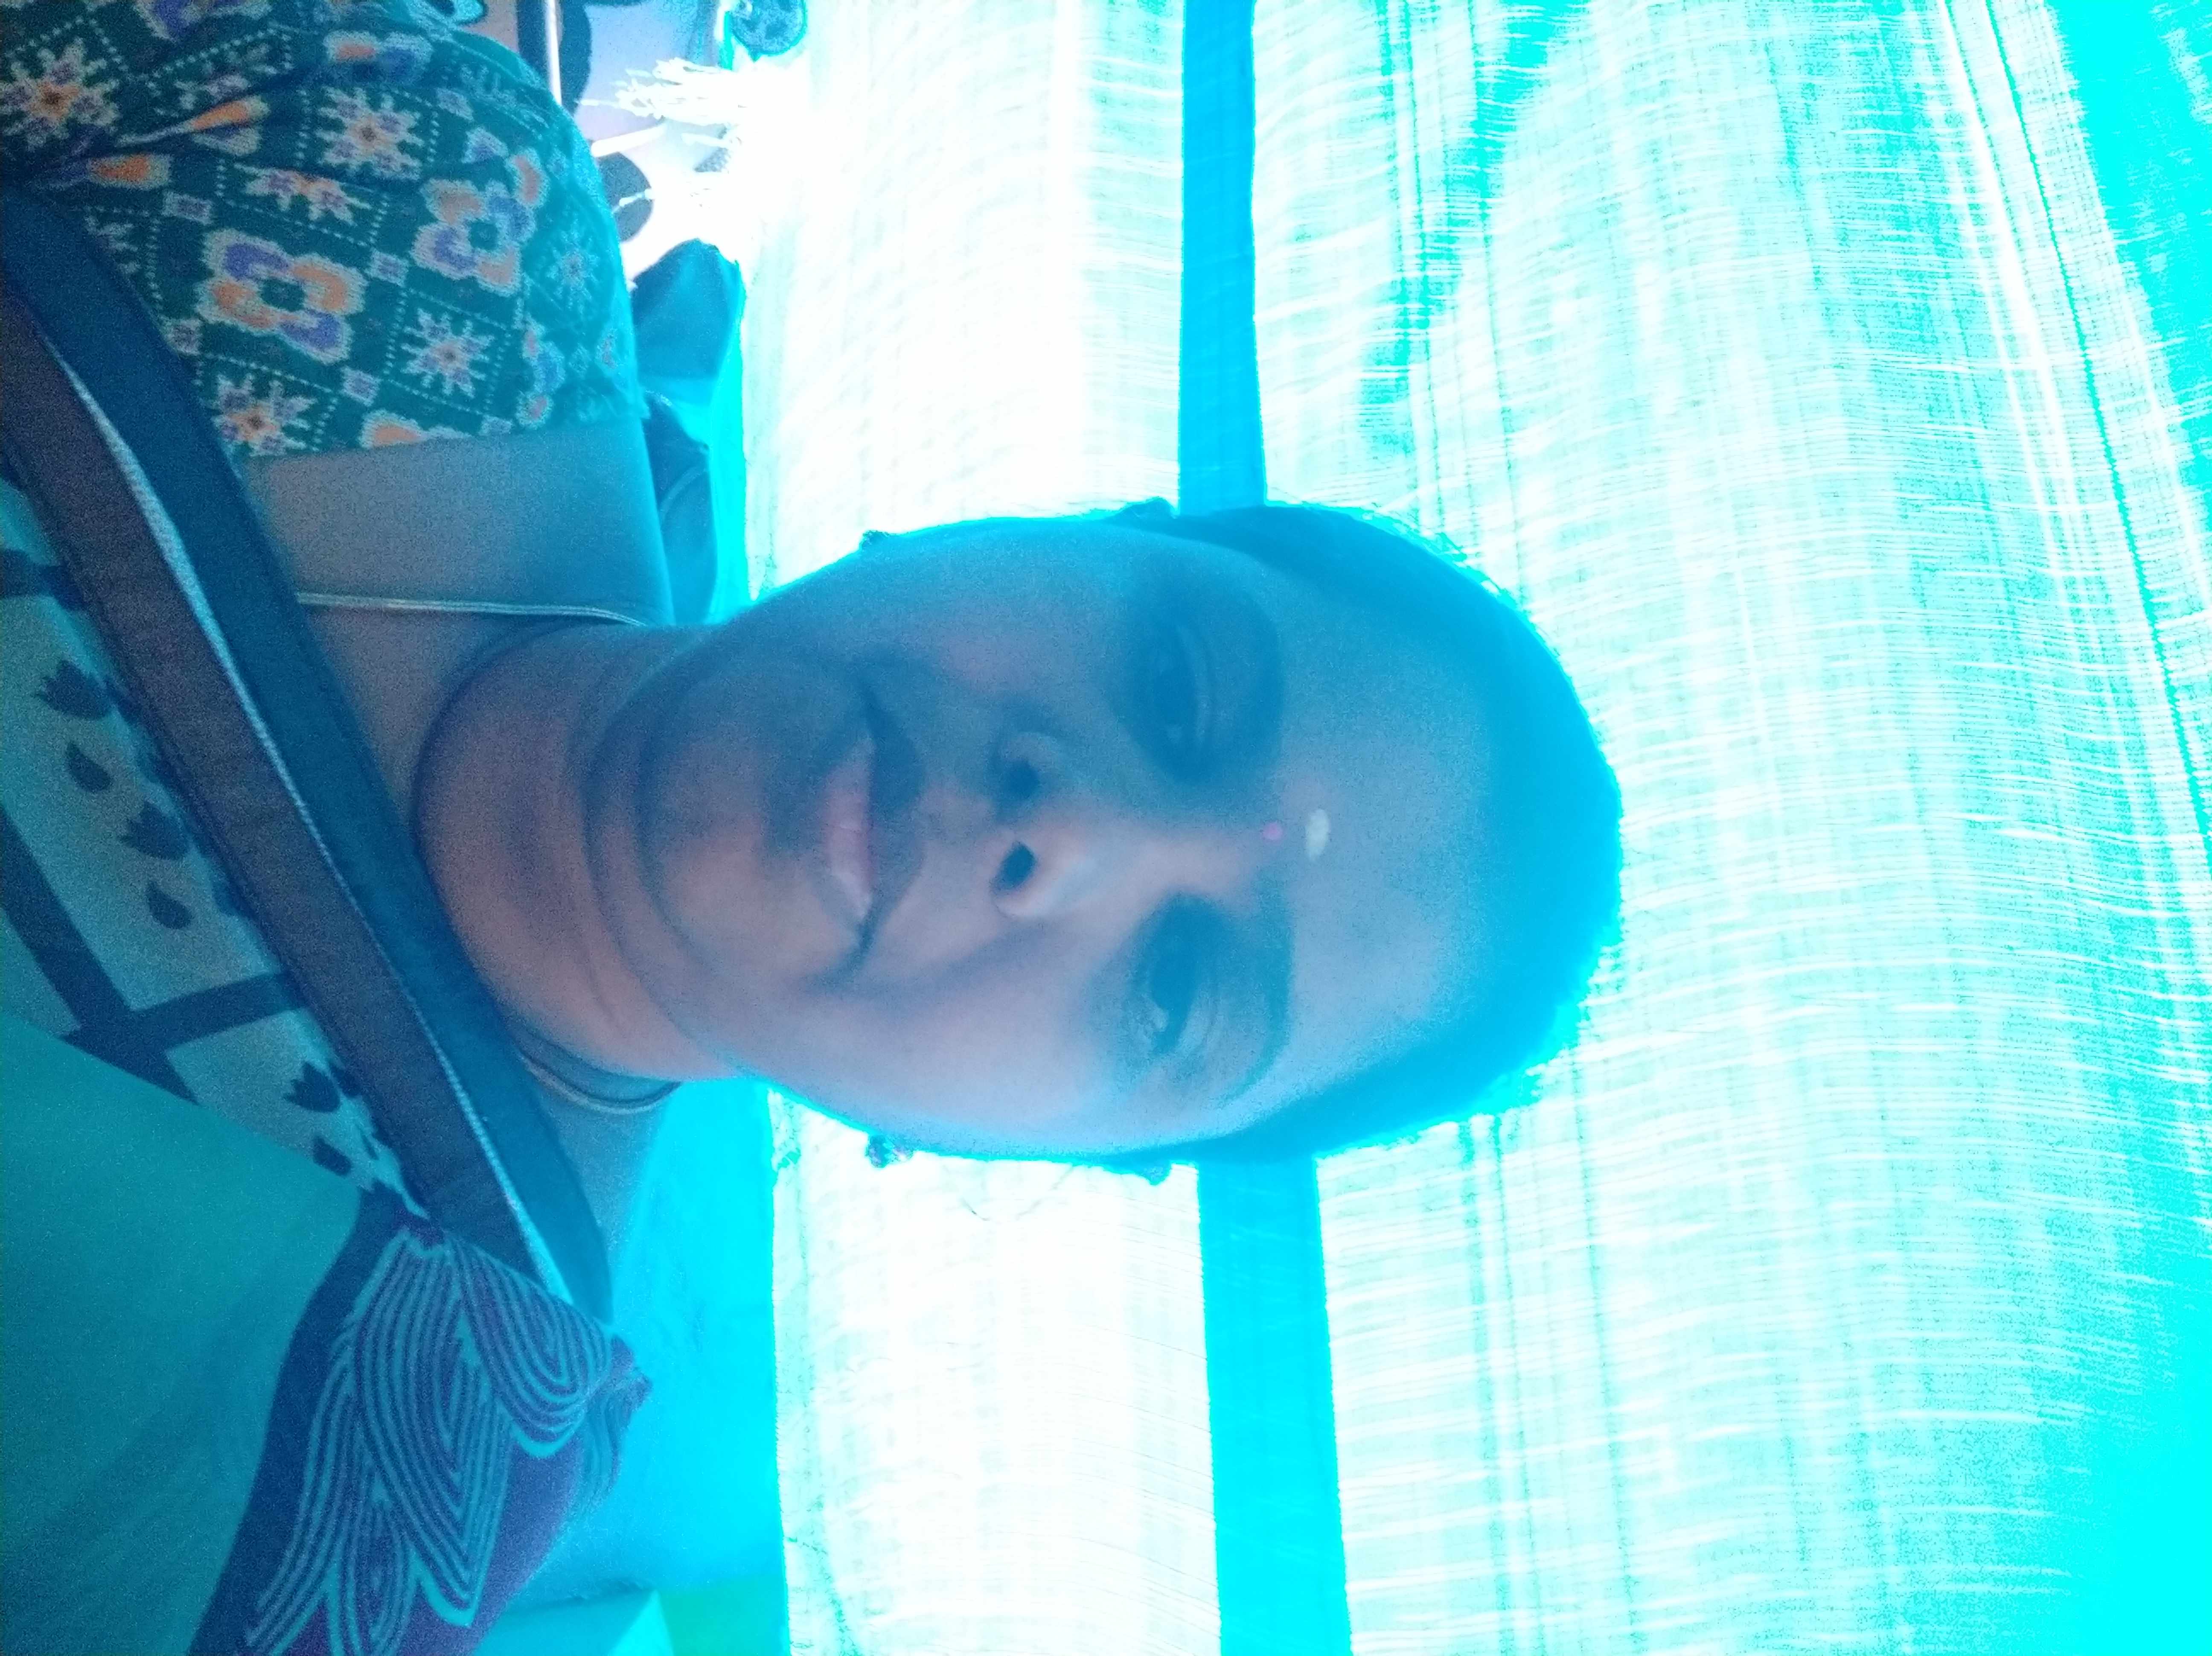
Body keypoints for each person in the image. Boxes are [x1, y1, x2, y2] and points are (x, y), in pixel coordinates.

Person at [0, 0, 1620, 1647]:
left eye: (1175, 992)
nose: (1073, 836)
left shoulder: (382, 1457)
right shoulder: (404, 179)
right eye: (1177, 682)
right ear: (1068, 524)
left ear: (1026, 1156)